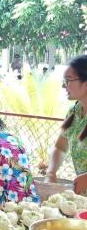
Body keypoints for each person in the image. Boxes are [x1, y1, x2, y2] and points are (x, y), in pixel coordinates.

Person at [46, 55, 87, 194]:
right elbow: (60, 147)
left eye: (68, 80)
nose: (64, 85)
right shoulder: (74, 112)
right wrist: (51, 173)